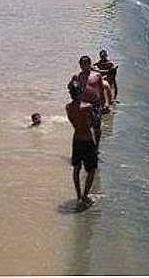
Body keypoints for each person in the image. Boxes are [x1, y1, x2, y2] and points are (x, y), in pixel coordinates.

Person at [65, 81, 97, 209]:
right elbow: (93, 122)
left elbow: (74, 122)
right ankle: (85, 195)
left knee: (77, 168)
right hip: (87, 139)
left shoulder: (67, 107)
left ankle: (78, 195)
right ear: (80, 92)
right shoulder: (87, 106)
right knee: (92, 169)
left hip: (76, 139)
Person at [72, 55, 111, 146]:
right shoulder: (78, 77)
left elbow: (101, 91)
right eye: (81, 64)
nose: (83, 66)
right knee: (83, 128)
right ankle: (85, 147)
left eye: (85, 64)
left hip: (95, 104)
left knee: (96, 127)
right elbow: (75, 92)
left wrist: (105, 103)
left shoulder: (97, 76)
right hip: (83, 104)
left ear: (89, 64)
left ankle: (96, 146)